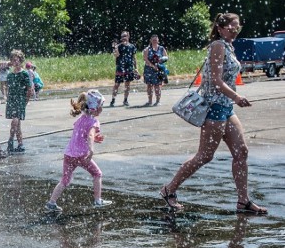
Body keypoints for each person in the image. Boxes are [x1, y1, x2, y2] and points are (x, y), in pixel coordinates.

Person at [160, 13, 267, 215]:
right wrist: (237, 97)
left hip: (226, 108)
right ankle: (169, 189)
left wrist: (232, 100)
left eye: (238, 28)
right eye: (232, 28)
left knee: (241, 152)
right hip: (214, 108)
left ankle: (243, 201)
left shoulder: (228, 45)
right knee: (205, 156)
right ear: (220, 28)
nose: (235, 31)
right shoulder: (218, 45)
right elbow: (217, 80)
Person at [45, 90, 111, 212]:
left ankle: (51, 202)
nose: (102, 109)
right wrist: (91, 150)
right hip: (82, 155)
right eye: (101, 106)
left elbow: (82, 135)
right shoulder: (93, 121)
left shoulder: (81, 119)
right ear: (94, 108)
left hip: (69, 154)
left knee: (64, 180)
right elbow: (89, 136)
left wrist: (94, 138)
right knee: (97, 174)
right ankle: (97, 200)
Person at [5, 50, 35, 153]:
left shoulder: (24, 74)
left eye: (17, 60)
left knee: (15, 120)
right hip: (11, 100)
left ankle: (10, 140)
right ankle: (20, 143)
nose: (15, 62)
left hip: (20, 100)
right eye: (13, 60)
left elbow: (29, 89)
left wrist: (25, 102)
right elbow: (7, 88)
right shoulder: (10, 75)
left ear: (21, 61)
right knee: (17, 124)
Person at [110, 31, 139, 107]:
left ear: (128, 36)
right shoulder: (118, 46)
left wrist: (136, 68)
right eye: (122, 36)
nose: (123, 38)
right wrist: (115, 48)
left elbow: (134, 58)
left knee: (127, 85)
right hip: (120, 68)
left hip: (129, 68)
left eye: (125, 36)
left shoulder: (132, 46)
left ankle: (125, 100)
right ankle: (113, 100)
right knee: (116, 85)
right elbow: (116, 55)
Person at [142, 35, 169, 106]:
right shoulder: (147, 49)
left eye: (156, 40)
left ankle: (158, 101)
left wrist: (161, 60)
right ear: (150, 40)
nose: (154, 41)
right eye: (153, 40)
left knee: (158, 85)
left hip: (158, 69)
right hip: (149, 69)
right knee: (149, 85)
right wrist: (153, 66)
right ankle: (150, 101)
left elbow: (166, 57)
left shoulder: (161, 48)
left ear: (158, 40)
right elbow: (145, 59)